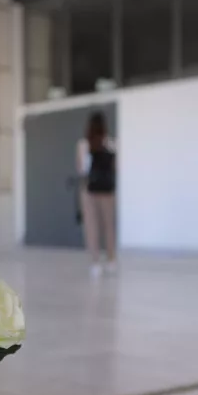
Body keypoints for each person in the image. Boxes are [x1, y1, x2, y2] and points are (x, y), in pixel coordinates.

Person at [76, 111, 117, 278]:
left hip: (90, 190)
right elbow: (115, 168)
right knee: (109, 226)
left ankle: (95, 263)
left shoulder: (83, 144)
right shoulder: (111, 143)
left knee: (91, 227)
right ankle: (111, 261)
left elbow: (81, 170)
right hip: (107, 190)